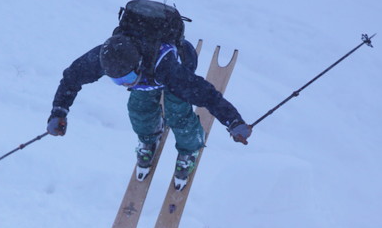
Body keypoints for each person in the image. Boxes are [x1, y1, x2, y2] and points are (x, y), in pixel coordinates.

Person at [46, 17, 252, 188]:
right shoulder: (108, 56)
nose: (123, 85)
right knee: (138, 109)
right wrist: (59, 111)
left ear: (137, 66)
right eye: (118, 82)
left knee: (177, 114)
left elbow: (207, 95)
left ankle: (189, 151)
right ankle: (149, 137)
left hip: (175, 66)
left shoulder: (169, 70)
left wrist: (233, 121)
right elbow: (72, 77)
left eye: (126, 80)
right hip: (147, 80)